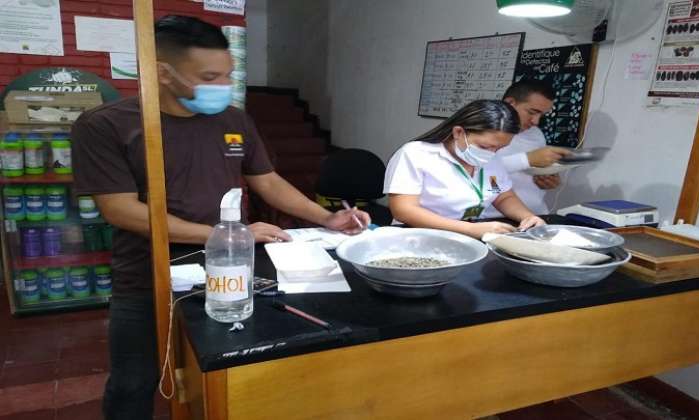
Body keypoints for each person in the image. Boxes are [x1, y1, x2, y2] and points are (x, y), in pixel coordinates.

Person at [71, 15, 369, 420]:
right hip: (148, 275)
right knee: (133, 381)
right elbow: (120, 209)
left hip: (232, 271)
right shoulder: (106, 125)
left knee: (223, 372)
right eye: (209, 76)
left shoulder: (233, 119)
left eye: (227, 75)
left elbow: (267, 182)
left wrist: (326, 217)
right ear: (163, 72)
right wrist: (229, 232)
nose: (221, 86)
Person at [383, 99, 545, 239]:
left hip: (469, 235)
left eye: (499, 148)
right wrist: (469, 229)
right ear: (458, 132)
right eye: (485, 146)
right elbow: (403, 210)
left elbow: (503, 196)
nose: (492, 153)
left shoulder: (492, 159)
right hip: (417, 236)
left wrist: (528, 217)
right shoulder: (416, 153)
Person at [483, 78, 571, 217]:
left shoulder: (536, 134)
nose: (536, 121)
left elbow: (530, 172)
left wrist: (546, 179)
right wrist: (528, 159)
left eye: (541, 115)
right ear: (510, 103)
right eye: (531, 112)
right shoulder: (481, 130)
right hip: (491, 218)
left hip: (536, 215)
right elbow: (476, 170)